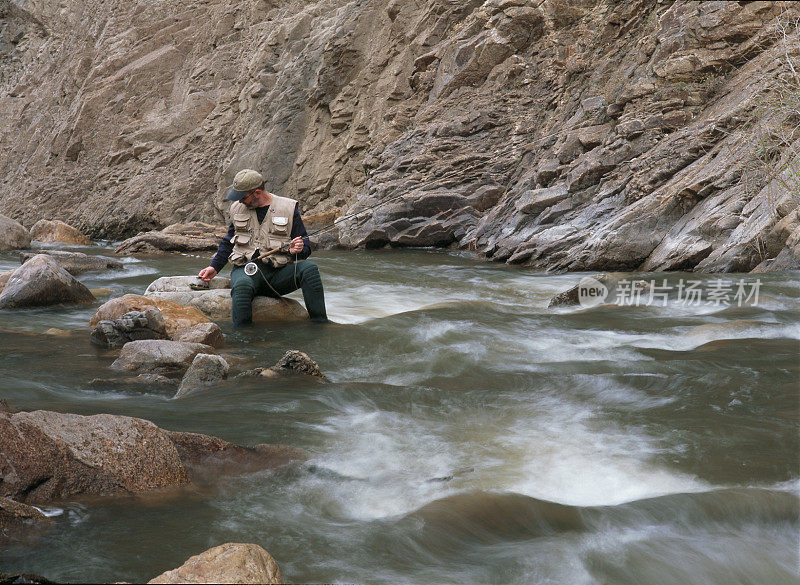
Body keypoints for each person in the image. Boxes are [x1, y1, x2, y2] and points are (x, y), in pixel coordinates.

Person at [198, 169, 328, 326]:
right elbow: (228, 242)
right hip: (245, 271)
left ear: (257, 193)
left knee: (309, 269)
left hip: (279, 275)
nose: (239, 201)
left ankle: (320, 325)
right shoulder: (237, 209)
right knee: (242, 286)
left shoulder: (288, 208)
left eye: (243, 197)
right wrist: (214, 267)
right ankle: (244, 338)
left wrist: (298, 250)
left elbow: (305, 248)